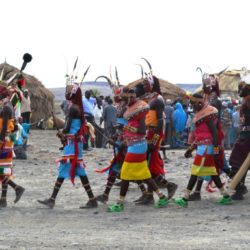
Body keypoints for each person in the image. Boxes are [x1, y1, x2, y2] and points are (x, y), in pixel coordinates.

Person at [107, 88, 168, 212]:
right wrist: (122, 129)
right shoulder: (132, 112)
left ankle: (120, 203)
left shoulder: (140, 111)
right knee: (145, 175)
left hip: (137, 147)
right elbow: (131, 129)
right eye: (124, 99)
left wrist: (126, 127)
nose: (125, 101)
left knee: (124, 174)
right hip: (135, 146)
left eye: (127, 99)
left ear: (132, 97)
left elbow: (141, 131)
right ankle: (162, 197)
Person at [37, 83, 97, 209]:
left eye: (68, 91)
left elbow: (68, 127)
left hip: (72, 144)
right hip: (75, 143)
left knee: (65, 169)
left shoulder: (73, 108)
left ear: (73, 94)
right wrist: (64, 133)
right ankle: (92, 200)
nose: (66, 93)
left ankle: (52, 199)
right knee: (80, 170)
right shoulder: (77, 107)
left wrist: (62, 133)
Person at [174, 94, 232, 207]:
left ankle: (185, 198)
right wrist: (190, 149)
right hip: (203, 147)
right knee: (213, 173)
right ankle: (226, 196)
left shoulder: (207, 115)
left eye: (196, 103)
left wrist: (215, 151)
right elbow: (200, 137)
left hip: (206, 148)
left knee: (195, 172)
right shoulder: (199, 116)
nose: (194, 105)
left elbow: (214, 134)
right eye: (192, 103)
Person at [0, 83, 25, 207]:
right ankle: (3, 199)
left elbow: (4, 127)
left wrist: (1, 141)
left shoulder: (5, 108)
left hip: (3, 142)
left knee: (2, 170)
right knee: (3, 171)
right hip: (7, 141)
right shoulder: (9, 106)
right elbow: (14, 126)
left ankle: (17, 188)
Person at [229, 73, 250, 200]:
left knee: (239, 164)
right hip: (243, 137)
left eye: (242, 88)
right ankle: (240, 187)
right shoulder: (245, 101)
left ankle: (240, 188)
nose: (239, 91)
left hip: (248, 138)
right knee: (237, 164)